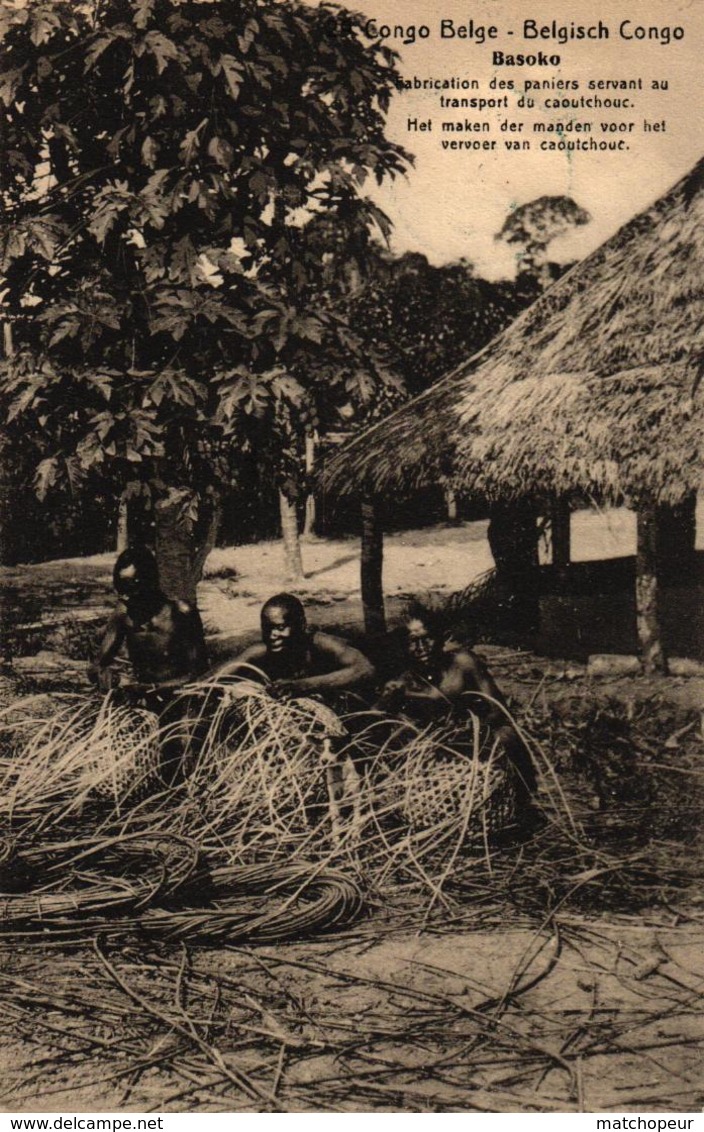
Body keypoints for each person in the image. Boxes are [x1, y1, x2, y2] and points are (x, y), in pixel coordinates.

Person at [377, 602, 537, 799]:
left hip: (477, 735)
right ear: (404, 646)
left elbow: (498, 710)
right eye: (413, 641)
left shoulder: (463, 662)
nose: (422, 648)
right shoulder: (403, 682)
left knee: (506, 734)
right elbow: (376, 719)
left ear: (440, 638)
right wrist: (386, 701)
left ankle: (521, 795)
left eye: (427, 639)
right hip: (438, 747)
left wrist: (469, 732)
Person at [91, 547, 209, 781]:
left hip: (182, 697)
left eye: (131, 591)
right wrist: (104, 675)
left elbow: (200, 673)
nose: (124, 599)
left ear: (151, 584)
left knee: (182, 759)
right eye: (120, 592)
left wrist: (155, 688)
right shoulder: (124, 613)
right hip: (144, 701)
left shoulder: (181, 613)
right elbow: (98, 663)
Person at [212, 593, 375, 701]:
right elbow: (215, 677)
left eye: (280, 628)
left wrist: (303, 685)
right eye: (266, 628)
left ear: (301, 625)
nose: (272, 635)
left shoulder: (321, 643)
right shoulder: (261, 650)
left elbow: (364, 668)